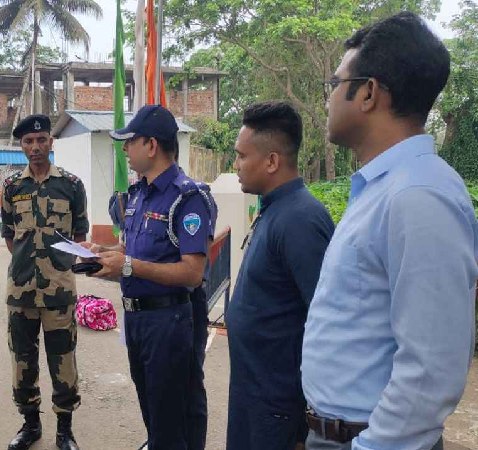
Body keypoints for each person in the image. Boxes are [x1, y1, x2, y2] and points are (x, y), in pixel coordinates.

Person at [302, 12, 478, 450]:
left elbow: (432, 368)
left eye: (334, 85)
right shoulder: (384, 188)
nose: (328, 100)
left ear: (368, 93)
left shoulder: (418, 196)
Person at [84, 105, 214, 449]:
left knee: (175, 418)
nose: (124, 149)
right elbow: (132, 255)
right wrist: (98, 253)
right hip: (138, 319)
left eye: (130, 141)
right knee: (154, 414)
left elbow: (192, 271)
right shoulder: (139, 195)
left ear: (152, 145)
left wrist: (128, 266)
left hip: (169, 321)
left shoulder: (188, 197)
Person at [224, 101, 335, 450]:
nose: (236, 165)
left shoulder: (301, 219)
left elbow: (326, 323)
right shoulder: (275, 210)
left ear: (272, 161)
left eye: (242, 156)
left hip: (279, 410)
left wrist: (305, 427)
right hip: (253, 395)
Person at [0, 114, 89, 450]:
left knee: (63, 360)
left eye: (41, 140)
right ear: (22, 145)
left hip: (59, 290)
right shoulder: (12, 187)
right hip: (21, 291)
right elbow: (10, 236)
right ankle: (30, 424)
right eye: (28, 141)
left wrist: (58, 265)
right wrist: (27, 262)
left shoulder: (71, 185)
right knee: (22, 360)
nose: (35, 147)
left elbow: (80, 232)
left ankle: (64, 429)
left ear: (51, 143)